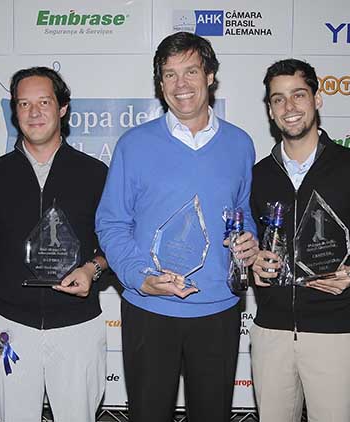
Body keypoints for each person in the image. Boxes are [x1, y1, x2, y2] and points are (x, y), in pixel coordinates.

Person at [95, 31, 259, 422]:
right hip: (149, 307)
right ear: (160, 82)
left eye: (190, 72)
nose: (180, 84)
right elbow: (111, 222)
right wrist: (140, 277)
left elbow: (243, 212)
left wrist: (250, 241)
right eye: (169, 74)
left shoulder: (241, 144)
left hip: (219, 308)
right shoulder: (133, 145)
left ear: (211, 76)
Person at [250, 58, 350, 422]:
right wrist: (251, 259)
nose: (289, 108)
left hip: (333, 334)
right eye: (278, 99)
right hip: (270, 333)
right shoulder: (258, 175)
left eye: (298, 95)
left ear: (317, 99)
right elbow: (249, 242)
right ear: (270, 111)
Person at [0, 66, 108, 422]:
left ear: (63, 108)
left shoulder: (95, 174)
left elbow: (115, 247)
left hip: (77, 327)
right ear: (14, 112)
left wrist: (92, 269)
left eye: (44, 102)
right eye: (23, 104)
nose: (34, 112)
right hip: (11, 326)